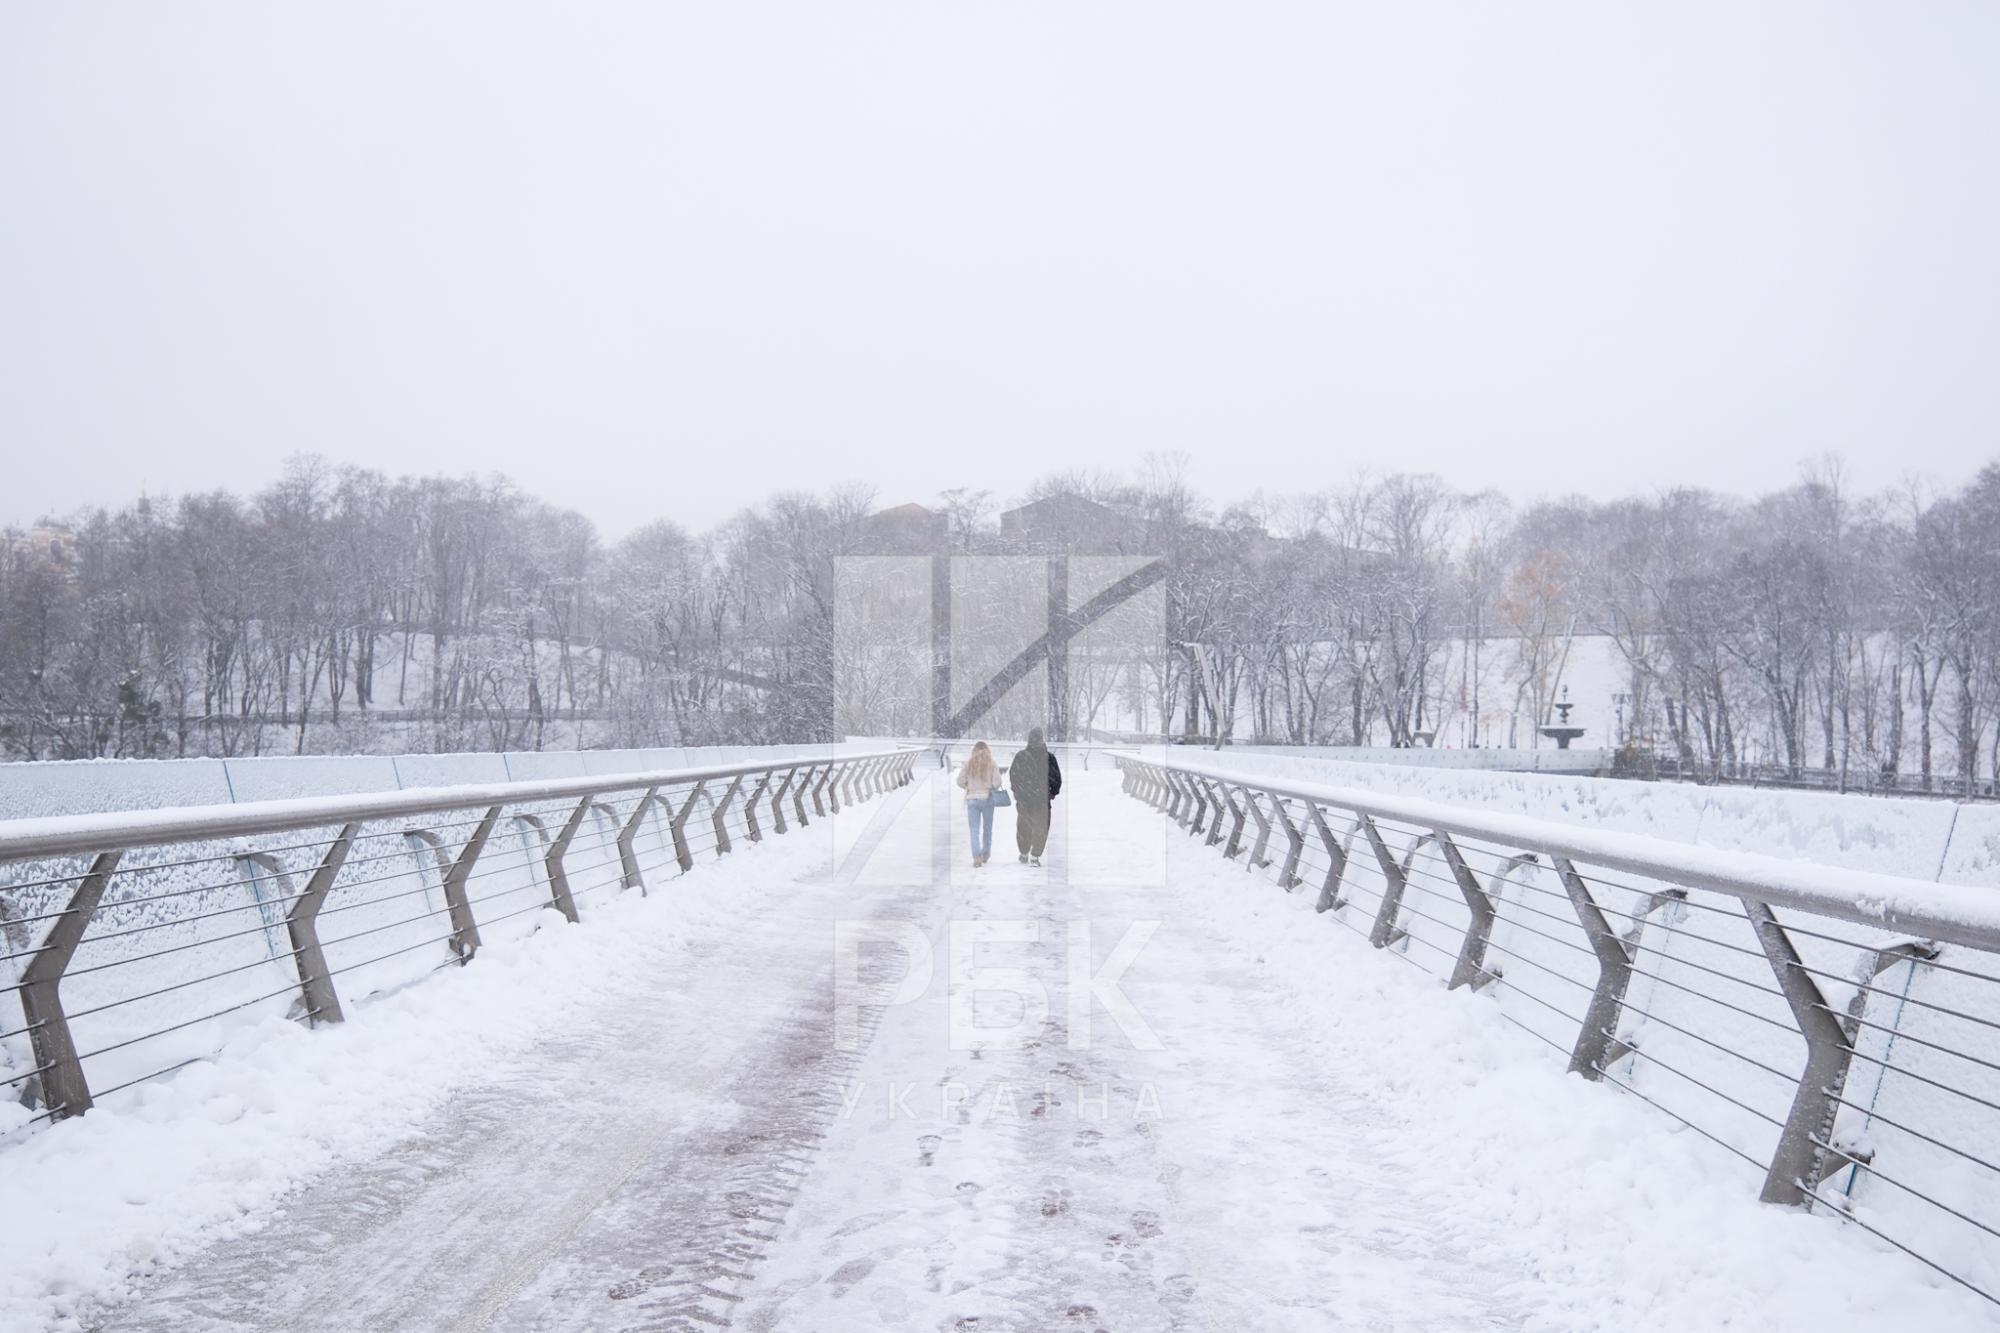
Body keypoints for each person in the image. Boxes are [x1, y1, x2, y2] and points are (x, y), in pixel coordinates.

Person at [1007, 728, 1062, 865]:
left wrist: (1017, 791)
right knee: (1041, 828)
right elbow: (1056, 779)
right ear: (1042, 739)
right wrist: (1052, 792)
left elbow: (1013, 775)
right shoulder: (1049, 758)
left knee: (1023, 826)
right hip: (1042, 800)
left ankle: (1024, 852)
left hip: (1024, 799)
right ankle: (1035, 855)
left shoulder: (1020, 756)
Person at [956, 740, 1001, 867]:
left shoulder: (969, 763)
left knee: (974, 830)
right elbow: (997, 782)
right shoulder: (992, 763)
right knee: (987, 828)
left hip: (972, 799)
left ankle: (976, 857)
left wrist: (968, 786)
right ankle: (985, 855)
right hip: (987, 799)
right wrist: (989, 787)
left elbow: (959, 781)